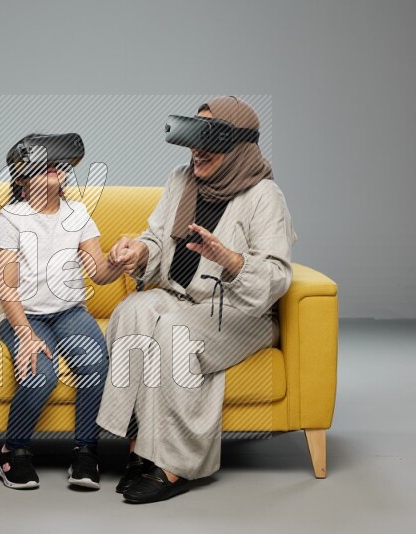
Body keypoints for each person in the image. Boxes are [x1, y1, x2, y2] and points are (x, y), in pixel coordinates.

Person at [97, 97, 297, 503]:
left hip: (241, 312)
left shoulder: (265, 195)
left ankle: (176, 465)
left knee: (174, 332)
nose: (197, 149)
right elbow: (155, 237)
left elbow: (277, 277)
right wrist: (139, 252)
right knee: (132, 311)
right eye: (194, 135)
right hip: (183, 297)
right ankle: (139, 447)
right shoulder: (181, 179)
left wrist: (230, 259)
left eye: (210, 138)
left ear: (240, 145)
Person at [0, 134, 125, 490]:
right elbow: (7, 287)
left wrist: (118, 261)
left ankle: (86, 452)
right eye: (42, 167)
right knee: (40, 374)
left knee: (96, 363)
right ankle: (12, 452)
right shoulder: (12, 217)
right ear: (21, 180)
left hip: (69, 312)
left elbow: (99, 272)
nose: (53, 171)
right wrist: (26, 335)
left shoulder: (77, 213)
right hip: (23, 315)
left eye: (56, 165)